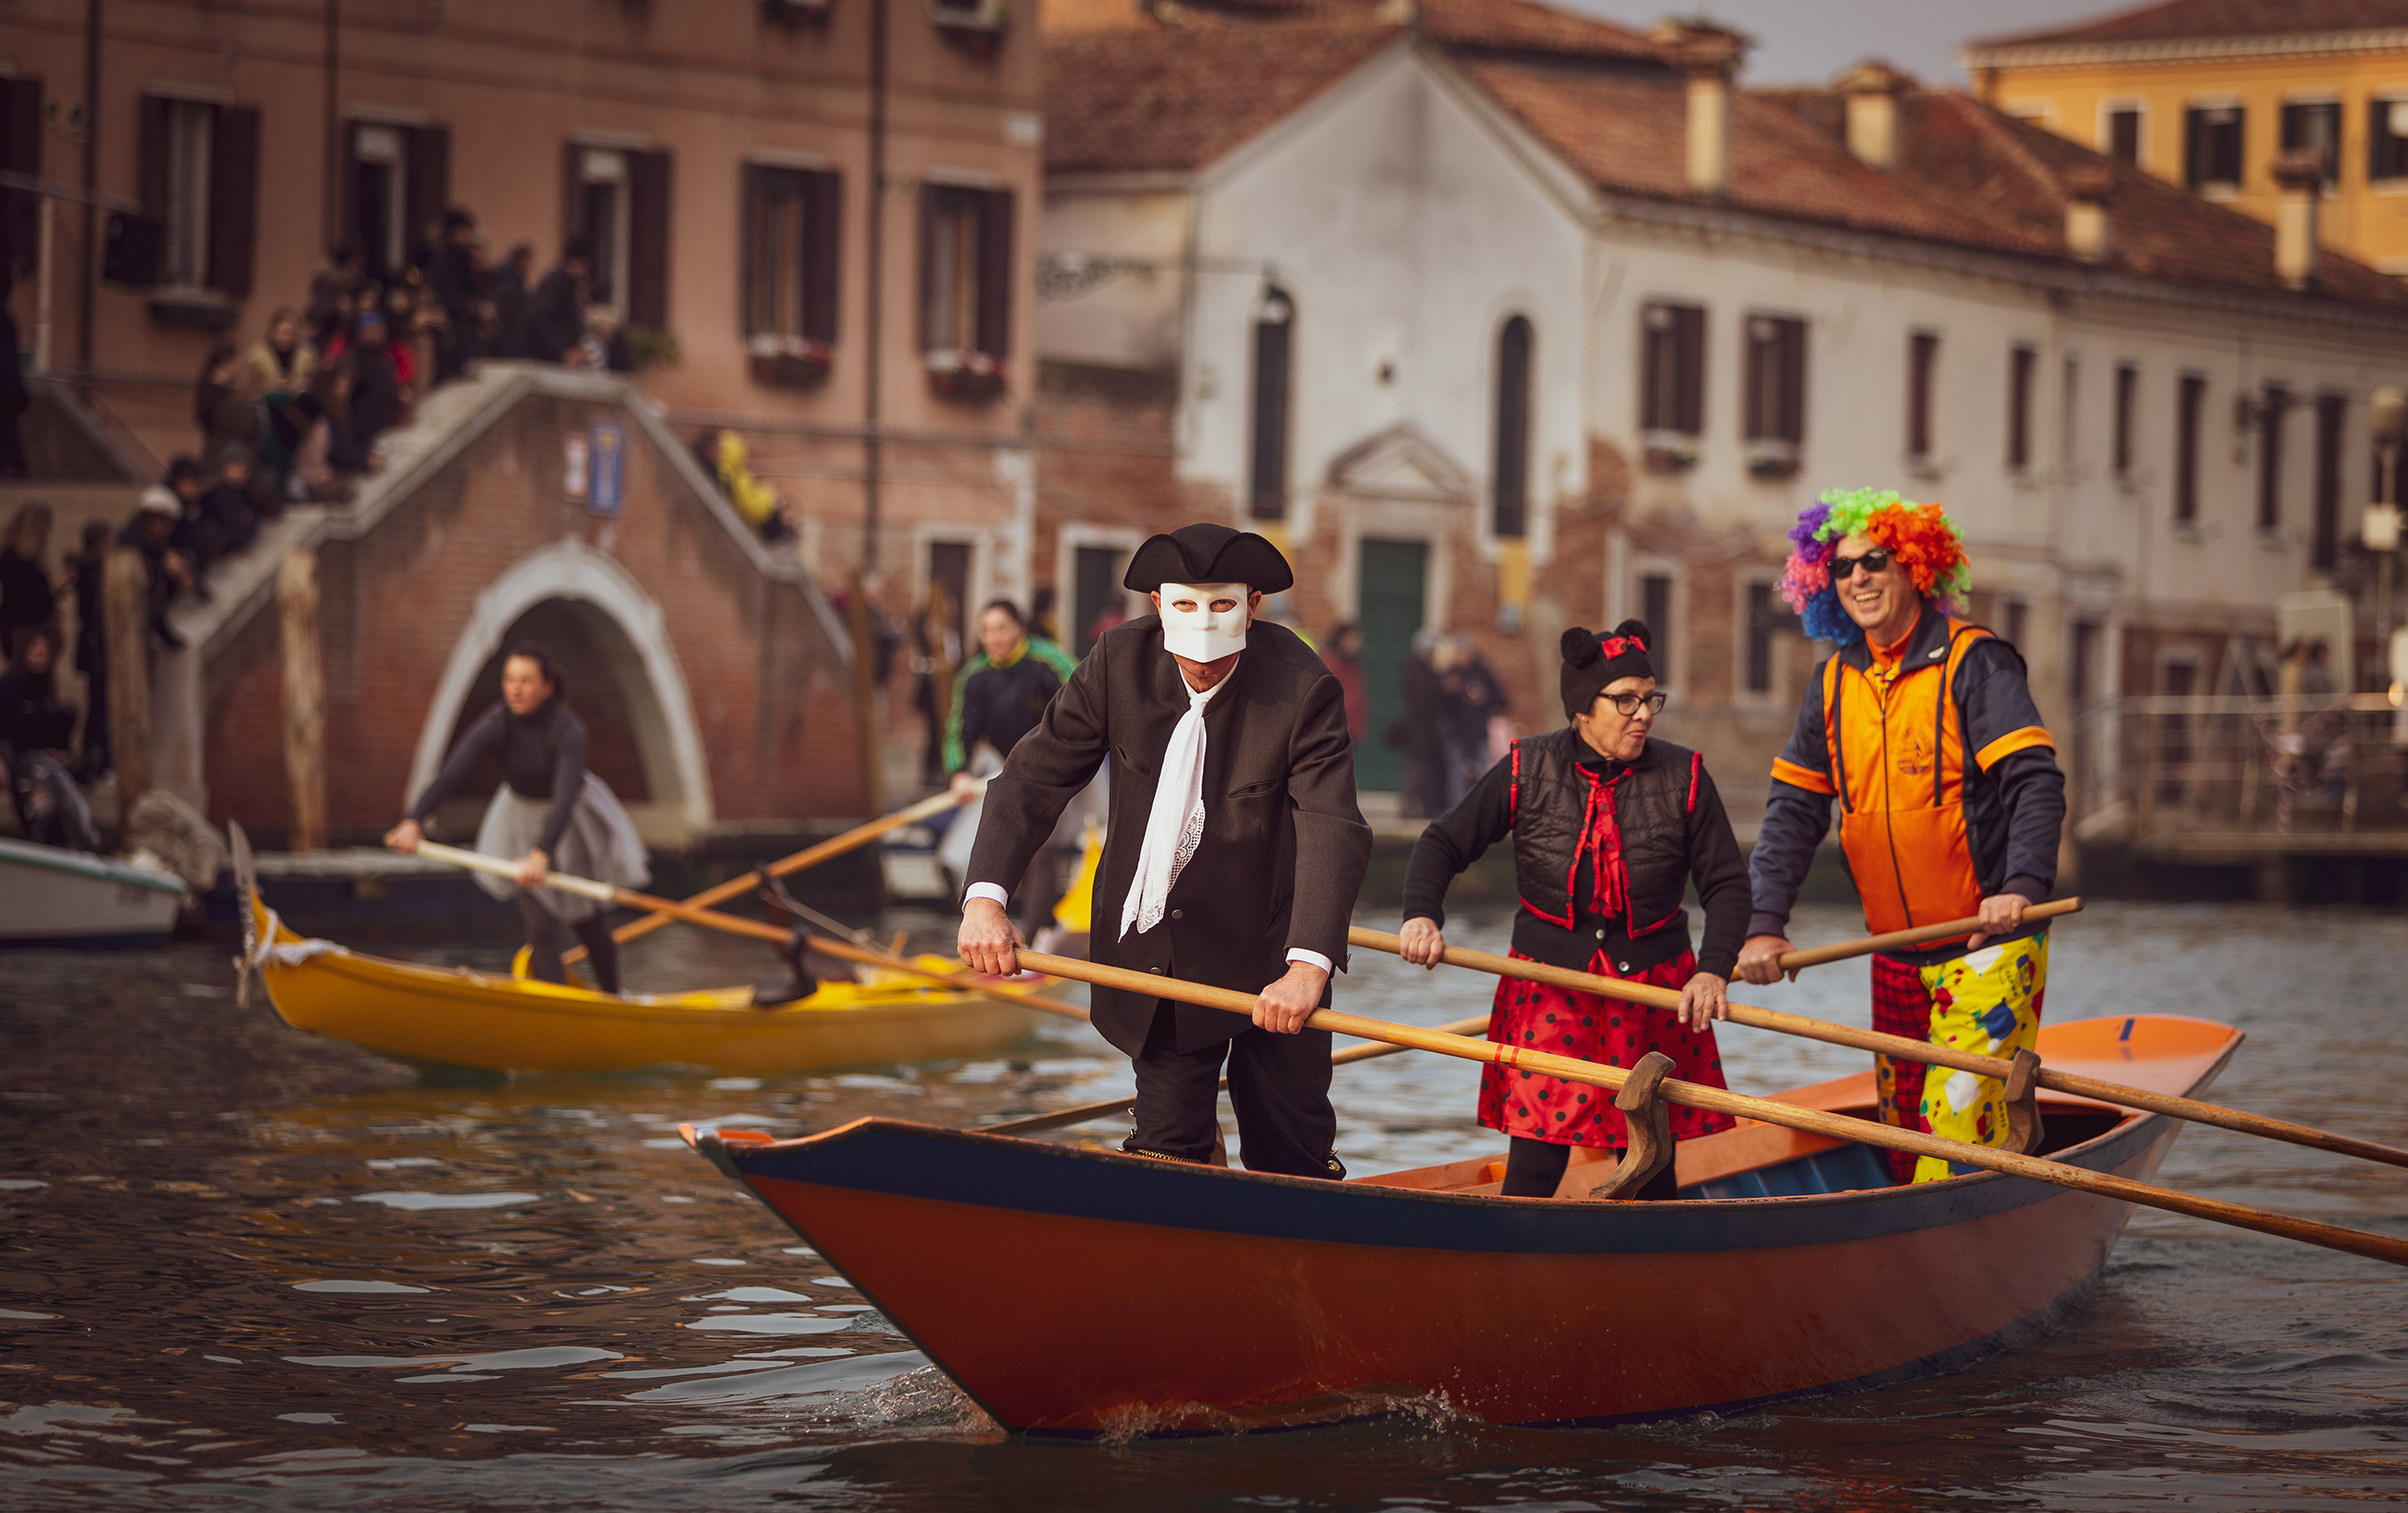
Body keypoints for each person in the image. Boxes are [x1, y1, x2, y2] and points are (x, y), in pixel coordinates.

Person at [958, 523, 1373, 1177]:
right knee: (1166, 1149)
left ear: (1253, 604)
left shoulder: (1302, 685)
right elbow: (1033, 777)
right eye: (1187, 640)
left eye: (1219, 642)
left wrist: (1309, 967)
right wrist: (985, 899)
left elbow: (1331, 825)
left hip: (1271, 949)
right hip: (1157, 952)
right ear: (1157, 605)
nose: (1202, 663)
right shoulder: (1115, 662)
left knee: (1289, 1158)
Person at [1737, 488, 2065, 1185]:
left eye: (1875, 560)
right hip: (1891, 956)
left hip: (1987, 948)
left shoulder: (1977, 663)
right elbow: (1793, 814)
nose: (1857, 577)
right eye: (1843, 567)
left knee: (1950, 1151)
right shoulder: (1832, 682)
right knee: (1902, 1145)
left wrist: (2021, 890)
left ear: (1917, 566)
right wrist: (1764, 926)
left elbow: (2035, 782)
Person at [1398, 620, 1745, 1199]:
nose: (1644, 714)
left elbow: (1728, 885)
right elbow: (1442, 842)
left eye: (1650, 698)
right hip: (1549, 985)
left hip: (1653, 992)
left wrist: (1713, 970)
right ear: (1583, 708)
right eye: (1626, 700)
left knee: (1650, 1165)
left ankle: (1651, 1278)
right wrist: (1421, 915)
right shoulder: (1525, 768)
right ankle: (1513, 1273)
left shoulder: (1685, 775)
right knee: (1535, 1160)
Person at [385, 642, 649, 994]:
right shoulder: (497, 722)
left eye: (526, 680)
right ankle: (558, 1014)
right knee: (540, 926)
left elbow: (565, 798)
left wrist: (542, 852)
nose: (515, 688)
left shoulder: (568, 730)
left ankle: (615, 1000)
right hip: (518, 820)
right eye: (509, 679)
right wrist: (413, 820)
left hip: (571, 822)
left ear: (547, 686)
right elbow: (450, 774)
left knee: (589, 925)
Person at [946, 598, 1079, 938]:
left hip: (1063, 763)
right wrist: (959, 772)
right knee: (982, 846)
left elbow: (1082, 702)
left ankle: (1035, 938)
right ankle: (986, 931)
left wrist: (1060, 756)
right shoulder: (975, 676)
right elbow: (960, 728)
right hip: (1007, 767)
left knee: (1042, 847)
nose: (995, 637)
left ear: (1019, 630)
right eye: (987, 630)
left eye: (1002, 628)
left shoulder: (1048, 661)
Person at [0, 623, 94, 850]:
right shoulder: (11, 685)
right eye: (36, 649)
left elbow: (44, 726)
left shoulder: (44, 688)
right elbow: (12, 727)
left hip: (38, 757)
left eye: (45, 651)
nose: (41, 655)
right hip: (16, 755)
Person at [66, 521, 111, 775]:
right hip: (96, 648)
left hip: (94, 646)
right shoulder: (93, 570)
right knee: (99, 706)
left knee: (97, 705)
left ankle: (94, 760)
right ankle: (97, 761)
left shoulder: (85, 568)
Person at [426, 209, 485, 383]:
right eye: (464, 231)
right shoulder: (442, 262)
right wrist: (466, 305)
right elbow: (441, 295)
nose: (468, 236)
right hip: (451, 329)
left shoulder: (465, 260)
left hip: (466, 326)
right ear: (453, 234)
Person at [1, 502, 68, 658]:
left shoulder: (35, 558)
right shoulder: (11, 558)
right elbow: (18, 596)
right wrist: (52, 589)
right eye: (39, 524)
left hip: (39, 627)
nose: (43, 530)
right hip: (22, 630)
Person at [523, 236, 594, 367]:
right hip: (546, 361)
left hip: (555, 360)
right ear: (576, 261)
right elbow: (541, 319)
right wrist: (564, 351)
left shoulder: (567, 285)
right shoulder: (555, 284)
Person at [239, 308, 319, 403]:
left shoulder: (307, 356)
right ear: (273, 332)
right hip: (265, 406)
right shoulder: (257, 357)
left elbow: (313, 384)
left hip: (297, 406)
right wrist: (272, 387)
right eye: (283, 333)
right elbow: (247, 389)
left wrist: (296, 385)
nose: (286, 338)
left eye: (290, 334)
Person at [1320, 623, 1369, 743]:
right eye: (1351, 638)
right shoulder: (1330, 662)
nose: (1355, 643)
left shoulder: (1353, 663)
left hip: (1351, 727)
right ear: (1341, 639)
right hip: (1336, 727)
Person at [0, 269, 28, 478]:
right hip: (10, 387)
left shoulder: (3, 315)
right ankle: (16, 467)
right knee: (8, 430)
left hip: (6, 388)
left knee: (7, 430)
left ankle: (15, 468)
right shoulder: (6, 315)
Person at [490, 243, 534, 359]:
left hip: (505, 339)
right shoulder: (512, 287)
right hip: (510, 343)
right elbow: (515, 321)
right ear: (523, 261)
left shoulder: (507, 282)